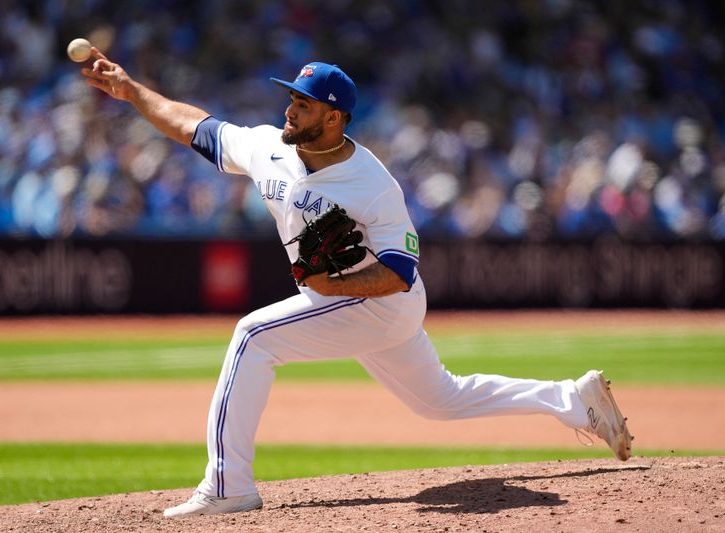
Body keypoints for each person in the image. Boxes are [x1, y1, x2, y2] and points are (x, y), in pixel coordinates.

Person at [81, 49, 633, 518]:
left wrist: (326, 282)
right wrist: (130, 90)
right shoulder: (270, 147)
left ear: (335, 118)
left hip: (381, 303)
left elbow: (398, 273)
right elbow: (192, 126)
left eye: (303, 103)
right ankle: (573, 399)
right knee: (441, 400)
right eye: (291, 98)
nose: (289, 109)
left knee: (253, 337)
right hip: (349, 301)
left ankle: (228, 487)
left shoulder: (371, 183)